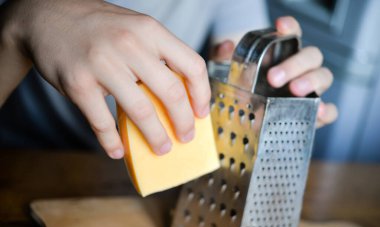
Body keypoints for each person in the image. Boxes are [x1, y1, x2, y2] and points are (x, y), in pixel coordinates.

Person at [0, 0, 337, 159]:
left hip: (132, 181)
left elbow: (241, 66)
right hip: (24, 157)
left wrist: (269, 93)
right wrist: (19, 23)